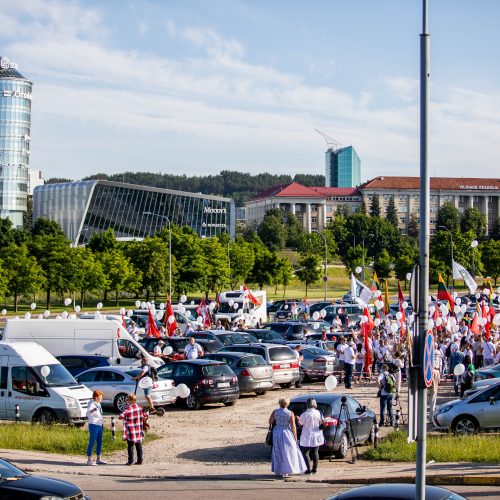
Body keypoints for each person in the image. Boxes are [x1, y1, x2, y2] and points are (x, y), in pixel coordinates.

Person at [269, 398, 306, 478]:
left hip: (277, 431)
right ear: (287, 404)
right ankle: (287, 469)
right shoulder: (290, 413)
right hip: (287, 432)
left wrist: (277, 421)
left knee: (278, 450)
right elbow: (293, 426)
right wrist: (295, 436)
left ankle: (278, 470)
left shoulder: (275, 412)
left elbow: (270, 421)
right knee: (288, 450)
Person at [119, 394, 148, 465]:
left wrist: (123, 417)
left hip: (130, 430)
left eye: (127, 400)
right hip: (138, 430)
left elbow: (121, 416)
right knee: (138, 445)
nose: (127, 401)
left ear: (130, 400)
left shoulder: (128, 409)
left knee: (130, 445)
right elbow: (145, 415)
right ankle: (140, 460)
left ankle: (130, 461)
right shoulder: (140, 408)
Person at [298, 398, 324, 475]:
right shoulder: (318, 412)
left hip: (307, 434)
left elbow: (300, 424)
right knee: (315, 452)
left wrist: (298, 419)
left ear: (307, 404)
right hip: (316, 433)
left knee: (305, 452)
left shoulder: (305, 414)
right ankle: (314, 469)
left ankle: (308, 469)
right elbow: (320, 422)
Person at [86, 390, 106, 466]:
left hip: (99, 424)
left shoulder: (98, 404)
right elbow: (87, 413)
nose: (101, 398)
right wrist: (92, 410)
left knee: (99, 441)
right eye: (100, 397)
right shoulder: (92, 404)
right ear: (96, 397)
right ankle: (89, 460)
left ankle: (98, 459)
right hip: (93, 424)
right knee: (92, 441)